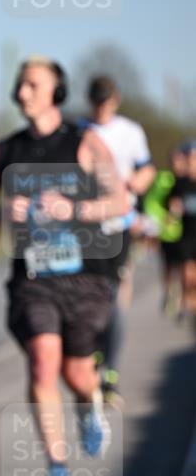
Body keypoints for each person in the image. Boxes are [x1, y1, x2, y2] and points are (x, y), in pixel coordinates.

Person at [0, 58, 128, 476]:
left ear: (56, 92)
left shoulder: (87, 142)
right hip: (33, 276)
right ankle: (57, 466)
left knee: (77, 373)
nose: (23, 93)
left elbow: (119, 201)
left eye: (32, 85)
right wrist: (2, 212)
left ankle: (88, 400)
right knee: (42, 359)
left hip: (84, 276)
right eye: (19, 85)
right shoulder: (3, 150)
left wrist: (74, 209)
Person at [83, 76, 156, 407]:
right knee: (88, 296)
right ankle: (93, 361)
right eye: (96, 101)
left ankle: (109, 371)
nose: (101, 107)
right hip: (84, 224)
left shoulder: (131, 131)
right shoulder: (80, 130)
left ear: (116, 100)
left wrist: (130, 185)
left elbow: (147, 170)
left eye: (106, 101)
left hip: (118, 223)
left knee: (113, 296)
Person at [143, 146, 187, 314]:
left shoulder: (189, 179)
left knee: (185, 269)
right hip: (167, 232)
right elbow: (152, 203)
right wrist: (162, 219)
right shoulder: (163, 178)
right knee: (169, 267)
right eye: (173, 160)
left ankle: (183, 300)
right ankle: (169, 293)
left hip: (187, 232)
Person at [168, 141, 196, 319]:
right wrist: (174, 208)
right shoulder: (181, 183)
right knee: (187, 273)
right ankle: (187, 304)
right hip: (186, 234)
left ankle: (192, 305)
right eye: (190, 158)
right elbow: (172, 202)